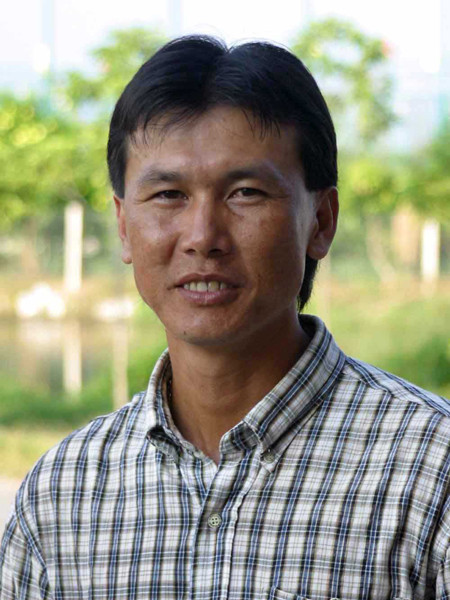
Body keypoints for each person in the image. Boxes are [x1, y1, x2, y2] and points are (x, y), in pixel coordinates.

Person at [1, 35, 449, 600]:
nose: (202, 237)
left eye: (245, 193)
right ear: (123, 225)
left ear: (322, 221)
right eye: (168, 195)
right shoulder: (60, 497)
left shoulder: (432, 474)